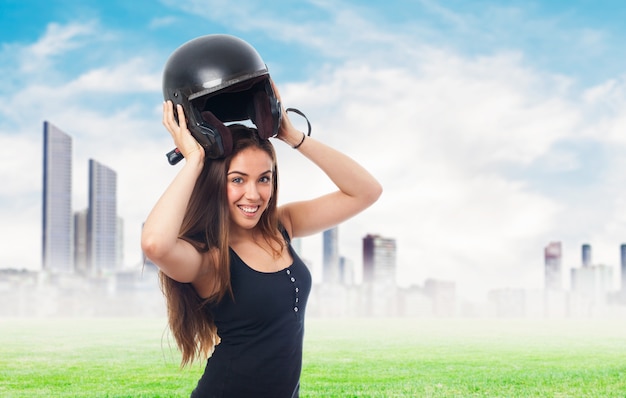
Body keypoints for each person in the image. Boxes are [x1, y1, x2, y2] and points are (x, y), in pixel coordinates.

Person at [142, 63, 381, 398]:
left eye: (263, 178)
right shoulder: (208, 259)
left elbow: (366, 191)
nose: (253, 195)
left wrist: (292, 136)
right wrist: (196, 158)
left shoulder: (282, 226)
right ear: (215, 183)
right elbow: (154, 244)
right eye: (237, 180)